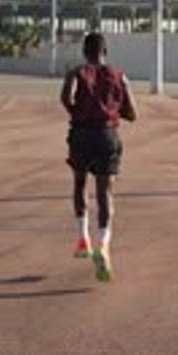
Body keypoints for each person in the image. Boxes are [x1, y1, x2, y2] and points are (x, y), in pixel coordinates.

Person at [60, 32, 137, 282]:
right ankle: (103, 243)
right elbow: (133, 113)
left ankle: (83, 238)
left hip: (81, 134)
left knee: (79, 182)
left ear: (85, 51)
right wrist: (112, 110)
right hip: (107, 135)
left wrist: (78, 112)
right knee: (105, 193)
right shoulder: (119, 76)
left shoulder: (77, 73)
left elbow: (65, 98)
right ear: (105, 51)